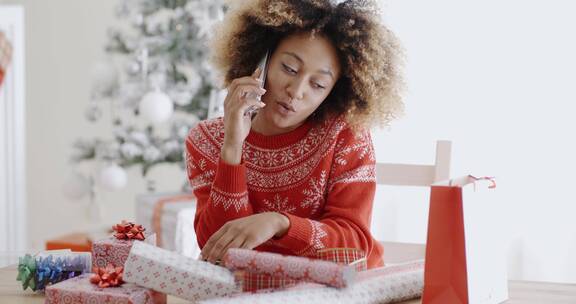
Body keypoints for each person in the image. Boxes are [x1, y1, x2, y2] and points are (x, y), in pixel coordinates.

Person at [185, 0, 404, 269]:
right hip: (254, 291)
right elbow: (217, 252)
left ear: (333, 92)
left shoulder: (345, 136)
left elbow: (354, 243)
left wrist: (279, 223)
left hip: (345, 290)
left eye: (318, 84)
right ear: (261, 61)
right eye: (289, 68)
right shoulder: (207, 141)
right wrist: (232, 145)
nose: (297, 91)